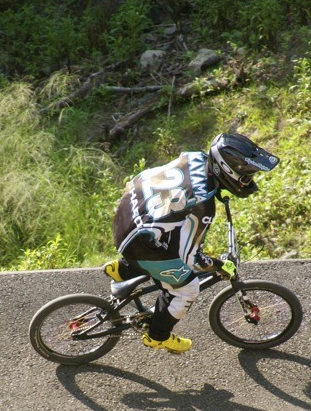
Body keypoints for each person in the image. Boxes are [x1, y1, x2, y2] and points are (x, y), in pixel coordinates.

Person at [103, 132, 279, 353]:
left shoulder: (195, 157)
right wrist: (216, 265)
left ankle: (123, 269)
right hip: (137, 242)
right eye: (246, 175)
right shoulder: (203, 206)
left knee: (163, 239)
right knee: (187, 287)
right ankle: (158, 336)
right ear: (228, 170)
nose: (249, 180)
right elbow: (191, 258)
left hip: (127, 213)